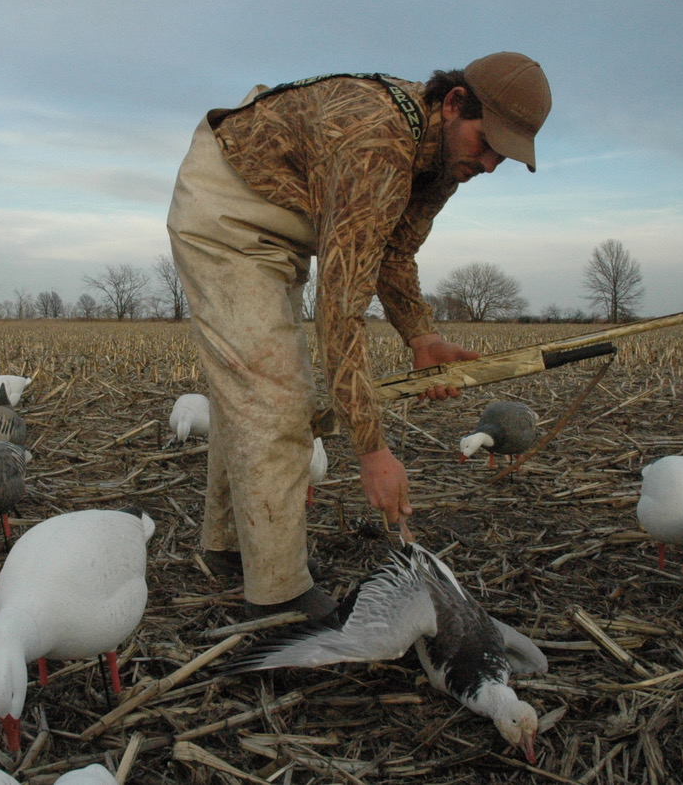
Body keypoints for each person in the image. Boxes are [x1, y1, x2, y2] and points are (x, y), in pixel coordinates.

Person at [166, 52, 552, 621]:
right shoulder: (378, 145)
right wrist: (371, 448)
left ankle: (229, 548)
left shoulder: (445, 159)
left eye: (505, 156)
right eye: (487, 142)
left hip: (282, 222)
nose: (491, 164)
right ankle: (277, 598)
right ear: (453, 103)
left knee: (254, 395)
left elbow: (393, 253)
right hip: (226, 215)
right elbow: (342, 308)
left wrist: (421, 336)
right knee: (274, 398)